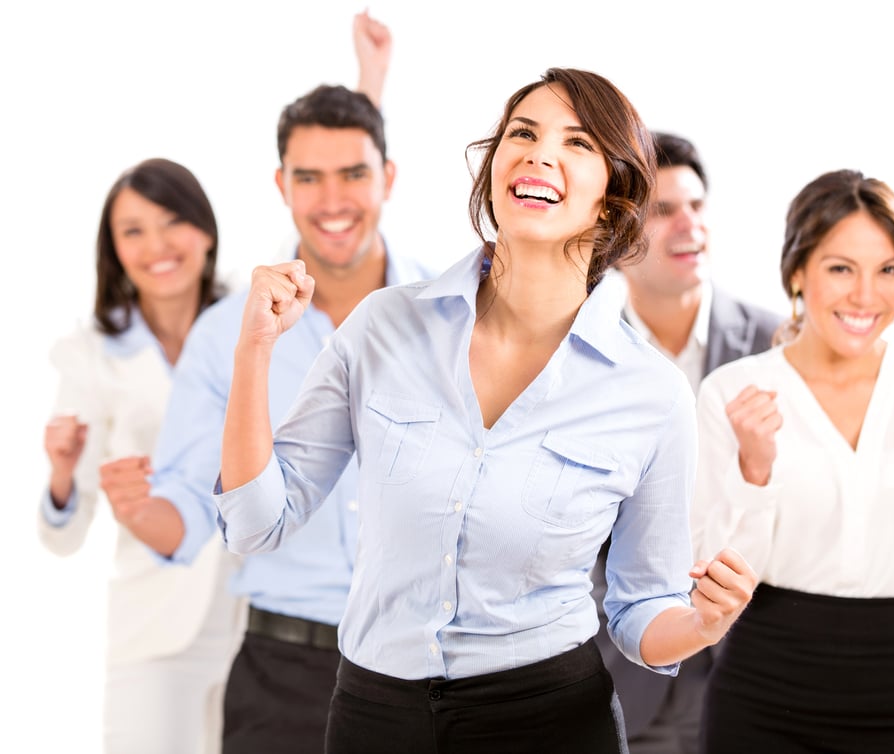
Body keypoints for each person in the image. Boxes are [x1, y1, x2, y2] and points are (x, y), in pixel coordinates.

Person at [215, 67, 757, 754]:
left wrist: (702, 624)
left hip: (551, 723)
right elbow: (256, 522)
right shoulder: (383, 327)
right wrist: (254, 350)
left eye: (578, 143)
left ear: (615, 196)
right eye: (522, 133)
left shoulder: (650, 393)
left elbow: (640, 607)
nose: (538, 153)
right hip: (375, 718)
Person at [104, 12, 437, 754]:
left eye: (354, 174)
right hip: (283, 676)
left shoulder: (447, 314)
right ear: (280, 185)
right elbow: (191, 512)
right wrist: (136, 509)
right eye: (308, 178)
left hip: (428, 673)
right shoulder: (226, 333)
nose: (332, 200)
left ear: (388, 178)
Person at [691, 168, 894, 752]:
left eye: (889, 270)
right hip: (764, 697)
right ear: (797, 272)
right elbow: (707, 586)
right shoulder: (733, 394)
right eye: (841, 268)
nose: (866, 296)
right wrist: (754, 472)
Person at [37, 157, 244, 754]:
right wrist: (60, 474)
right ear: (114, 250)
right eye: (132, 230)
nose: (156, 245)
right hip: (155, 629)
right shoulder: (92, 356)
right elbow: (63, 536)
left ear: (205, 230)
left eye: (172, 220)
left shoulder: (254, 325)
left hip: (260, 624)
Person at [590, 132, 782, 754]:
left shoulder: (774, 346)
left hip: (753, 664)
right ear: (619, 241)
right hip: (626, 669)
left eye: (696, 206)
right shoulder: (583, 357)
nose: (688, 225)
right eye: (664, 211)